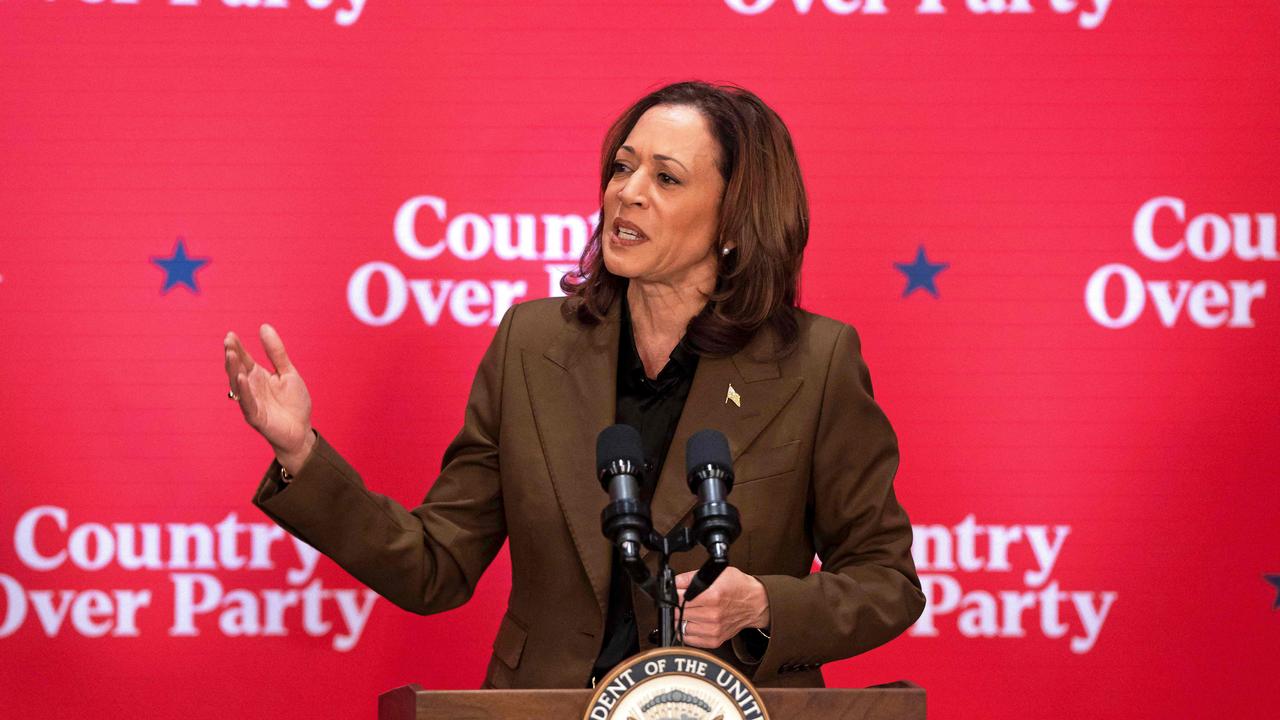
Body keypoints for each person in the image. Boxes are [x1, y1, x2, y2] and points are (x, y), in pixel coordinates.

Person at [222, 81, 925, 690]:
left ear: (736, 220)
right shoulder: (531, 344)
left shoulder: (815, 363)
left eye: (667, 178)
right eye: (623, 168)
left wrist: (764, 606)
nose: (629, 192)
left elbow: (886, 581)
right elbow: (434, 566)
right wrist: (302, 455)